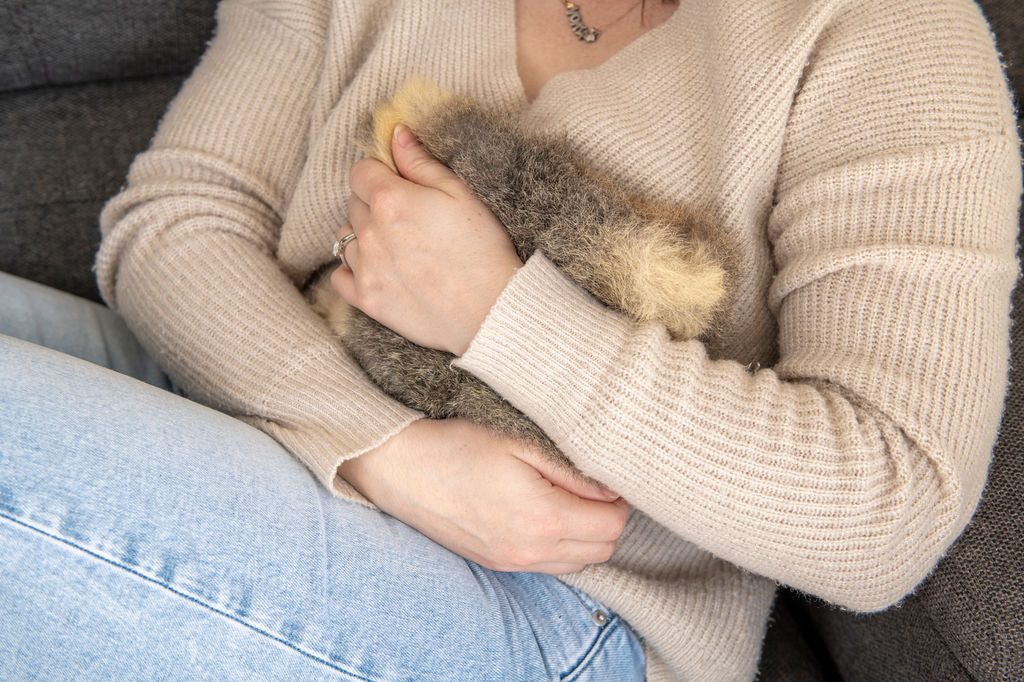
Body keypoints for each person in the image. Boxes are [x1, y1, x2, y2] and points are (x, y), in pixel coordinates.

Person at [1, 0, 1019, 679]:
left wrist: (501, 314)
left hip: (558, 608)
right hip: (261, 401)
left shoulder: (885, 34)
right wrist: (381, 452)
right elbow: (178, 216)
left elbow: (887, 505)